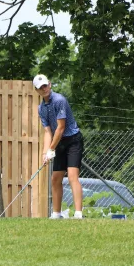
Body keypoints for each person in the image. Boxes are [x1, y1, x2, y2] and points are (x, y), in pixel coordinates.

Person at [33, 74, 84, 219]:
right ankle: (56, 214)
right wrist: (45, 153)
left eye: (45, 85)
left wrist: (51, 149)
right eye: (40, 88)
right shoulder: (41, 108)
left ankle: (78, 213)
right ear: (37, 91)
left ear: (49, 84)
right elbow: (48, 132)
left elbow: (61, 128)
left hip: (73, 140)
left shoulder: (59, 100)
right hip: (59, 142)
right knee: (55, 178)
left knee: (72, 176)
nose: (44, 89)